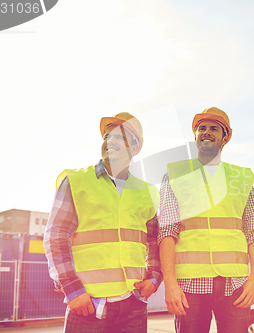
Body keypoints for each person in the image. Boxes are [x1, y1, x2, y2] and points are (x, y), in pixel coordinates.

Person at [44, 112, 162, 333]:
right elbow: (55, 236)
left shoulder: (148, 192)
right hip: (88, 306)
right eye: (107, 136)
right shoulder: (76, 181)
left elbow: (154, 240)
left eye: (120, 137)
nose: (110, 141)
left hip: (134, 305)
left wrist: (154, 278)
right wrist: (73, 290)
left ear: (135, 147)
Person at [158, 107, 254, 333]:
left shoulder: (242, 178)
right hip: (189, 285)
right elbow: (167, 230)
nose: (206, 132)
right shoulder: (175, 175)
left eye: (214, 128)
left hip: (235, 283)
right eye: (201, 128)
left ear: (225, 137)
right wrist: (170, 283)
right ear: (195, 136)